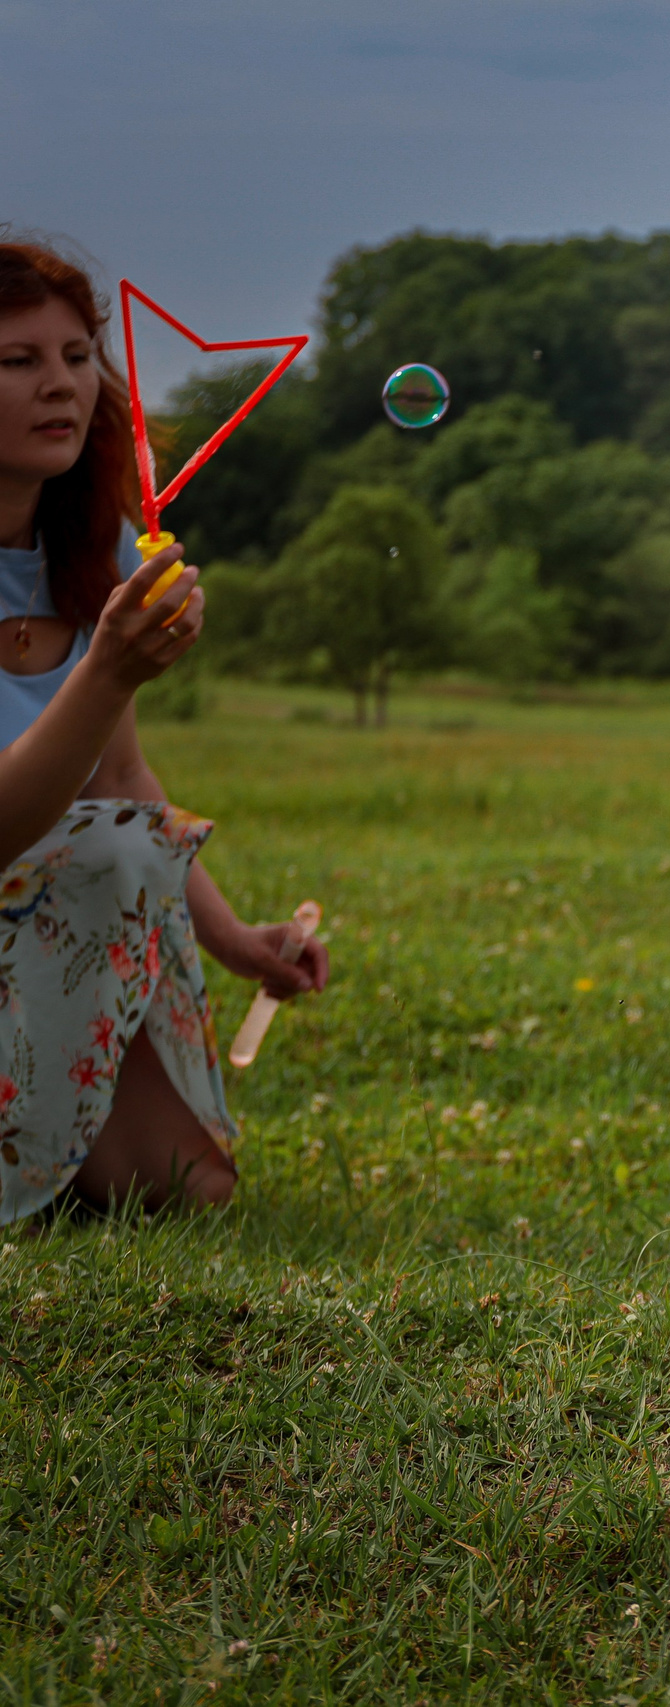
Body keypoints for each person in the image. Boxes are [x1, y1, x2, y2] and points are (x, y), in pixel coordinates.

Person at [0, 235, 326, 1222]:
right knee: (101, 856)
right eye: (18, 361)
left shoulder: (89, 546)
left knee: (188, 1191)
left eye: (76, 355)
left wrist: (236, 942)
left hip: (43, 937)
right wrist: (104, 672)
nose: (63, 385)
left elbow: (124, 779)